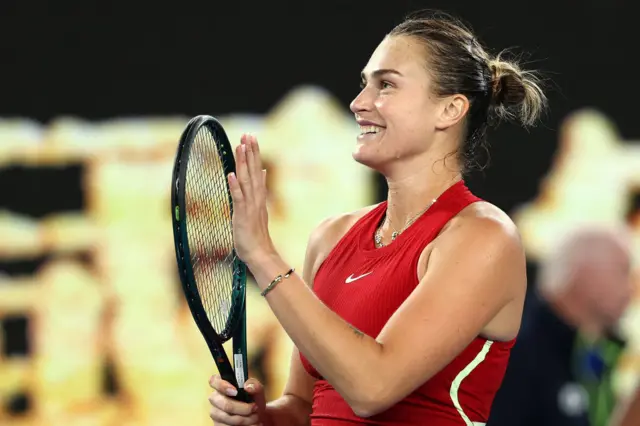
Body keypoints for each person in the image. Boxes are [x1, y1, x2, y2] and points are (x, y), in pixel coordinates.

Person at [208, 10, 547, 425]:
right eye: (364, 84)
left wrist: (262, 255)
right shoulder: (331, 237)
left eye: (385, 85)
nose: (359, 103)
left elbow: (373, 388)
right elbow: (303, 404)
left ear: (450, 110)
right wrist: (262, 417)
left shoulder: (484, 237)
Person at [487, 227, 633, 426]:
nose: (631, 289)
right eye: (622, 271)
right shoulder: (518, 350)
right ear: (585, 271)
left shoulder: (591, 354)